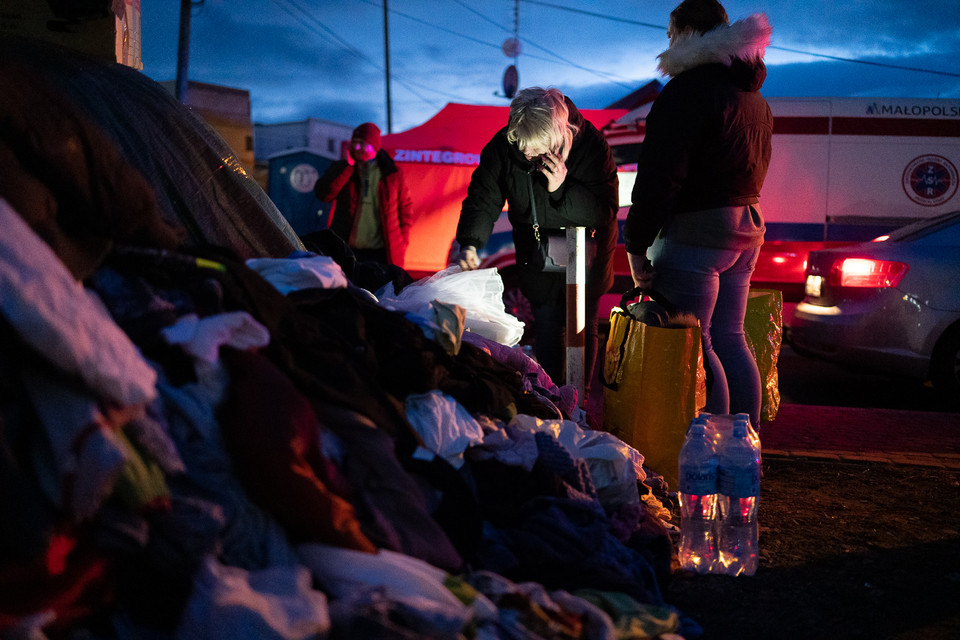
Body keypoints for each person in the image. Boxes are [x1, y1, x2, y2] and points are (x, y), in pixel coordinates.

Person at [623, 0, 773, 428]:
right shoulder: (753, 95)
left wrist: (636, 245)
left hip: (696, 232)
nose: (668, 42)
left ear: (686, 34)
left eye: (670, 34)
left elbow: (659, 178)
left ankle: (713, 450)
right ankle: (746, 446)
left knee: (697, 342)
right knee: (731, 337)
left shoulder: (686, 92)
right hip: (746, 223)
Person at [455, 87, 618, 399]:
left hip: (587, 249)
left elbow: (603, 210)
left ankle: (579, 394)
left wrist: (560, 188)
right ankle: (552, 393)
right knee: (546, 321)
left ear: (558, 133)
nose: (528, 156)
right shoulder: (504, 147)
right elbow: (482, 197)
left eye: (536, 150)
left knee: (583, 325)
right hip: (537, 248)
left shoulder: (591, 145)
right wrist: (471, 242)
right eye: (522, 148)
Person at [314, 122, 413, 266]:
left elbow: (405, 207)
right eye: (355, 143)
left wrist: (403, 240)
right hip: (348, 250)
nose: (357, 148)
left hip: (383, 252)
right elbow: (324, 194)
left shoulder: (391, 173)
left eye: (363, 144)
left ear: (375, 146)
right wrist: (347, 166)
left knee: (382, 288)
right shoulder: (343, 169)